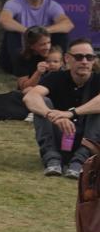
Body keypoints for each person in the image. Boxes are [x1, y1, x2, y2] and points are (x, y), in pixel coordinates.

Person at [22, 35, 100, 177]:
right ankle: (52, 159)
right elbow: (30, 97)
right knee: (43, 102)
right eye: (79, 57)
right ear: (67, 59)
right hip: (59, 137)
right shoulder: (55, 78)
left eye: (89, 57)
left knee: (97, 107)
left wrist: (71, 113)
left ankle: (81, 161)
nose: (84, 61)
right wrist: (51, 115)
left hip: (89, 140)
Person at [0, 0, 74, 73]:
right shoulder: (14, 3)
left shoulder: (51, 5)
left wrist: (43, 32)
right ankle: (19, 70)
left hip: (43, 51)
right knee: (11, 34)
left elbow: (68, 24)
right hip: (22, 51)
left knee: (62, 34)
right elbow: (4, 20)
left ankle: (59, 67)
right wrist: (28, 31)